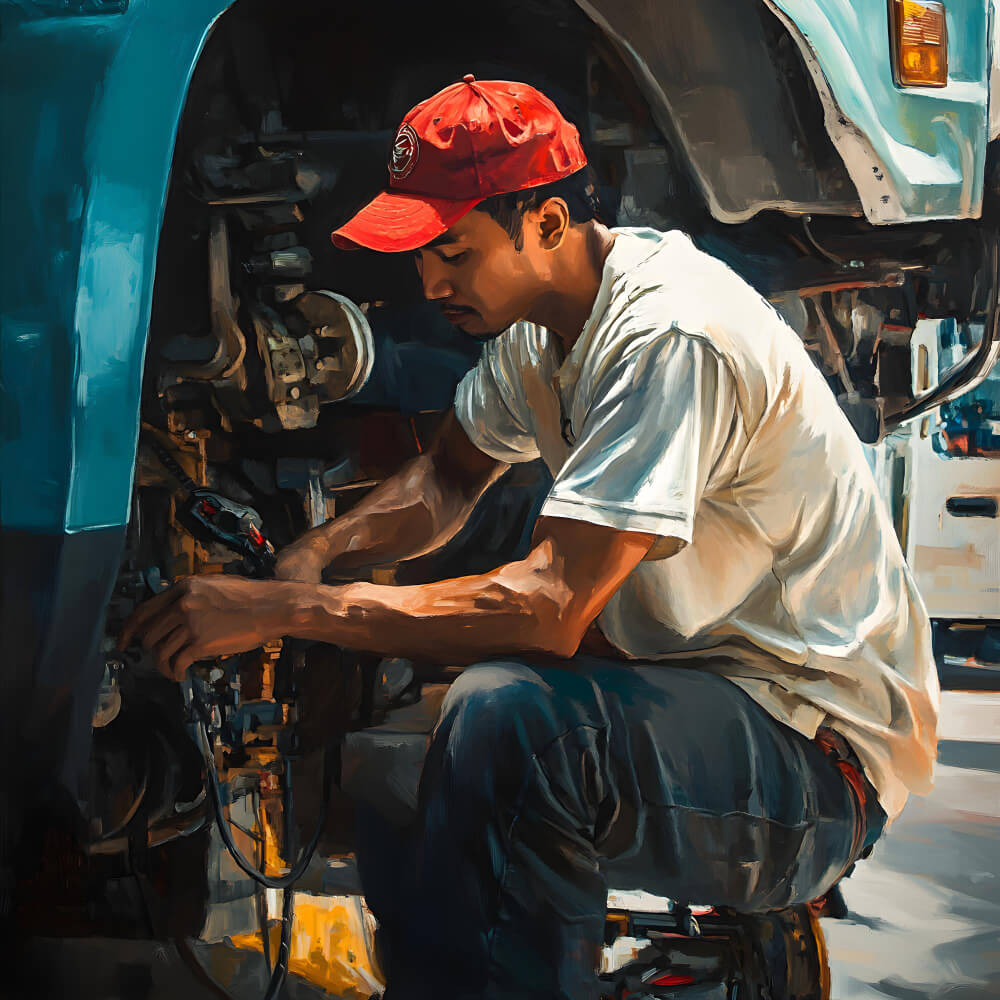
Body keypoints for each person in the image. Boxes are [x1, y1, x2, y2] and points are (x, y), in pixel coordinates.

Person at [121, 75, 940, 998]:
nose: (430, 285)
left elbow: (550, 608)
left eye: (455, 255)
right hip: (709, 693)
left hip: (813, 760)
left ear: (546, 224)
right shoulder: (544, 329)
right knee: (398, 772)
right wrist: (320, 550)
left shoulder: (670, 335)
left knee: (513, 724)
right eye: (424, 256)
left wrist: (288, 608)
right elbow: (449, 476)